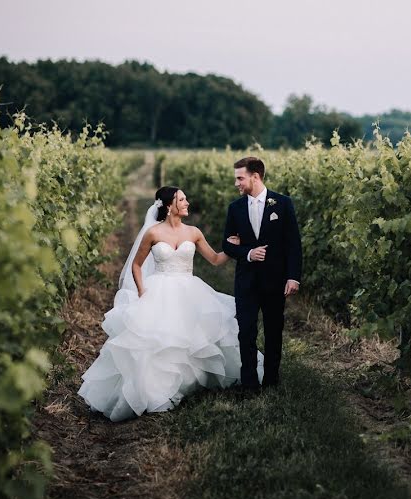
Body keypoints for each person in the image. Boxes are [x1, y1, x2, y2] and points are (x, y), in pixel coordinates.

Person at [78, 186, 259, 421]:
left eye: (185, 199)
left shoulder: (193, 232)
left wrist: (232, 247)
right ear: (168, 206)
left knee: (191, 337)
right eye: (182, 200)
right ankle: (155, 390)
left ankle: (191, 382)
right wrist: (142, 290)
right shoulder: (153, 233)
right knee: (157, 341)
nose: (187, 203)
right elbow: (136, 264)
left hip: (188, 288)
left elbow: (215, 260)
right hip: (158, 289)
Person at [222, 157, 302, 392]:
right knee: (246, 331)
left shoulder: (283, 203)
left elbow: (293, 244)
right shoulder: (235, 208)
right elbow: (227, 245)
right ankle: (249, 383)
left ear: (255, 176)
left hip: (275, 280)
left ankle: (271, 380)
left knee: (273, 330)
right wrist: (247, 253)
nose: (236, 183)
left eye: (240, 178)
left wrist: (293, 276)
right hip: (246, 281)